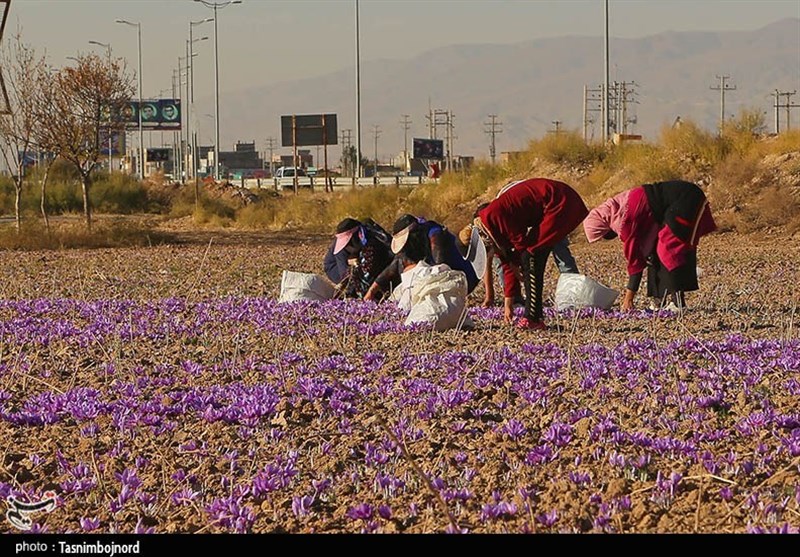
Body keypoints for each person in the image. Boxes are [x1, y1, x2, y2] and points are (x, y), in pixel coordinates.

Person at [582, 180, 716, 311]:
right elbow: (644, 249)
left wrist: (628, 298)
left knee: (668, 249)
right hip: (675, 204)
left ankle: (678, 303)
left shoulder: (625, 220)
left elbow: (635, 261)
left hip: (686, 199)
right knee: (654, 252)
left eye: (602, 234)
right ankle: (660, 300)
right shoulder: (619, 206)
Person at [474, 178, 589, 329]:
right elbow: (507, 262)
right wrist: (508, 305)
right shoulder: (493, 228)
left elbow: (520, 244)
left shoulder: (494, 215)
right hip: (554, 204)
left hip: (559, 202)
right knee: (532, 257)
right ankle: (535, 316)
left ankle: (533, 318)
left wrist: (520, 266)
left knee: (531, 256)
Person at [464, 202, 580, 309]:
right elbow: (489, 265)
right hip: (529, 219)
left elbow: (518, 246)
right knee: (503, 262)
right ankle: (515, 297)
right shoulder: (489, 232)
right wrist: (490, 297)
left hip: (547, 213)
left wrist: (519, 265)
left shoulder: (504, 219)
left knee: (557, 250)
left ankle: (574, 292)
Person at [365, 214, 480, 301]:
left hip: (462, 279)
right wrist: (371, 291)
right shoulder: (418, 242)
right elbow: (396, 264)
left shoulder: (435, 235)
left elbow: (441, 269)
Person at [324, 217, 395, 299]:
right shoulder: (341, 250)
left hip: (364, 257)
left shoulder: (372, 238)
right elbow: (346, 278)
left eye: (348, 244)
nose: (347, 246)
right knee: (352, 284)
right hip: (333, 266)